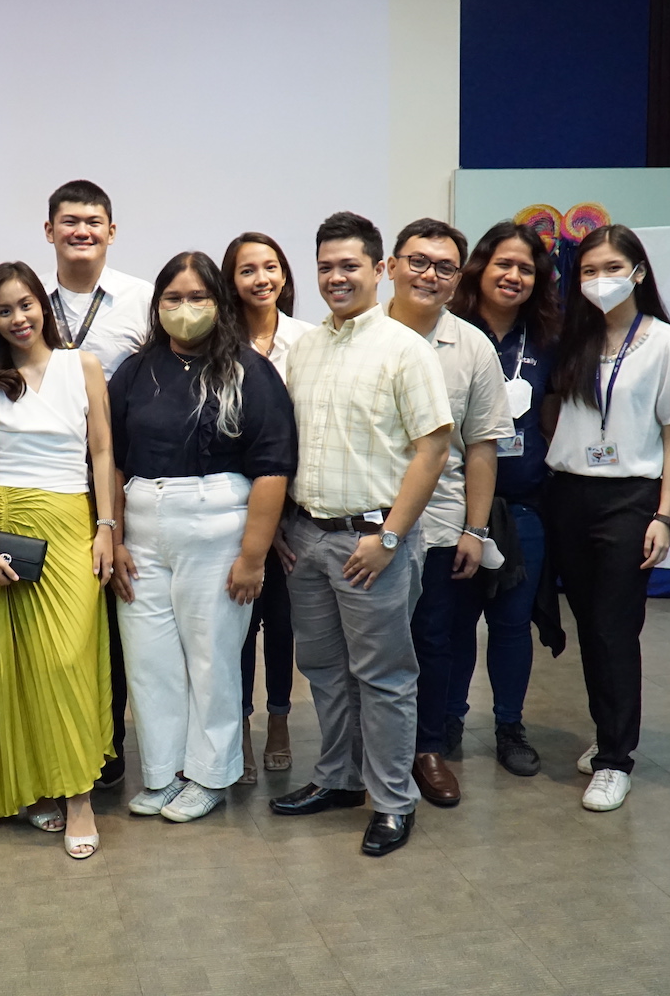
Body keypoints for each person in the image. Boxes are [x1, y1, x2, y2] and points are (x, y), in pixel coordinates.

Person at [268, 211, 452, 858]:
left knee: (384, 677)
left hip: (373, 542)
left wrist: (391, 538)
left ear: (381, 269)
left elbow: (433, 449)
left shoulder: (405, 348)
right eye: (325, 267)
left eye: (349, 266)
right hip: (308, 538)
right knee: (323, 670)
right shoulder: (306, 348)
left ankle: (393, 801)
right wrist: (285, 525)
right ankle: (339, 779)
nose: (336, 278)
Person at [109, 251, 296, 822]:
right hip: (142, 527)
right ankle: (163, 773)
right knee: (150, 661)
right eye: (173, 298)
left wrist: (253, 556)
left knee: (212, 659)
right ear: (157, 305)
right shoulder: (135, 371)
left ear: (219, 303)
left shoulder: (248, 370)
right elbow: (111, 459)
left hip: (218, 528)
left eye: (198, 298)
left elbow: (272, 467)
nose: (185, 308)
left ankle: (211, 775)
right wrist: (114, 536)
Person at [0, 262, 116, 860]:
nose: (18, 318)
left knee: (66, 661)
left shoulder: (84, 366)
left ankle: (80, 796)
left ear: (42, 306)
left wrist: (106, 527)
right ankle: (34, 785)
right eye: (4, 310)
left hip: (72, 524)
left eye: (25, 304)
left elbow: (102, 451)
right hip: (4, 524)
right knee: (14, 667)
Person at [546, 225, 670, 813]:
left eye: (611, 268)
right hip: (569, 495)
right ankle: (607, 732)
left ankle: (615, 760)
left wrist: (665, 513)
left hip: (630, 499)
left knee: (614, 627)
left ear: (638, 272)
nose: (599, 279)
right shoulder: (574, 339)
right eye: (588, 270)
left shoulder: (665, 343)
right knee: (590, 625)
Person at [387, 218, 514, 807]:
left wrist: (475, 529)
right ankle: (367, 752)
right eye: (417, 261)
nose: (429, 275)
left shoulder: (473, 347)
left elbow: (482, 445)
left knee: (433, 640)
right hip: (366, 522)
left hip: (438, 524)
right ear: (392, 265)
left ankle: (427, 748)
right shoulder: (357, 334)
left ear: (458, 278)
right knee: (369, 645)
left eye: (444, 267)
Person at [38, 178, 153, 790]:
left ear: (111, 231)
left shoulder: (142, 300)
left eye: (92, 221)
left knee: (119, 613)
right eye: (69, 221)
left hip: (125, 477)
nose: (81, 231)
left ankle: (110, 744)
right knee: (66, 622)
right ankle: (65, 739)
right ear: (49, 231)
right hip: (49, 482)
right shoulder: (29, 302)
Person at [448, 220, 562, 778]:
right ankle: (447, 721)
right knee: (453, 623)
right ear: (480, 269)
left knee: (513, 624)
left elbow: (553, 418)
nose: (514, 276)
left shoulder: (547, 341)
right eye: (504, 264)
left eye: (526, 268)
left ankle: (510, 727)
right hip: (453, 506)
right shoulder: (450, 332)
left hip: (522, 507)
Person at [222, 232, 314, 782]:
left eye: (270, 267)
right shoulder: (218, 343)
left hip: (294, 508)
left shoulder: (308, 340)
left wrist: (282, 517)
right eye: (247, 270)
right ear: (230, 281)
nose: (261, 279)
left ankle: (279, 720)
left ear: (284, 274)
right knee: (238, 624)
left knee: (281, 624)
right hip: (235, 507)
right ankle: (239, 725)